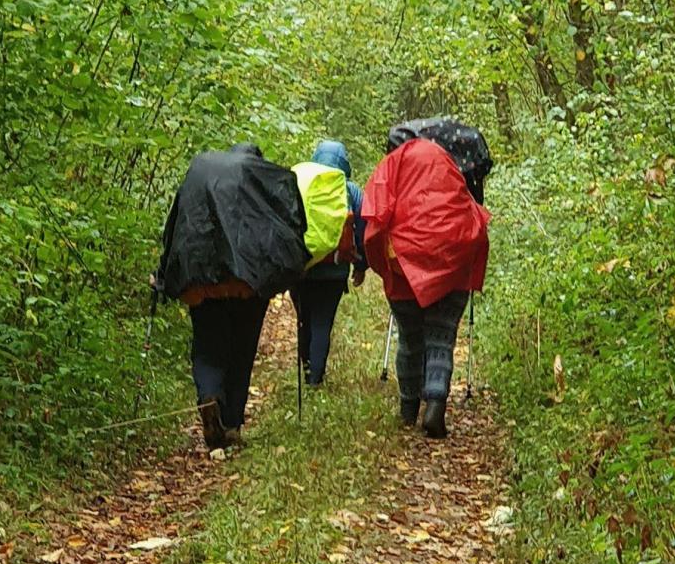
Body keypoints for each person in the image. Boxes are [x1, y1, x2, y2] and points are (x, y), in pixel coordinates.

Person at [154, 144, 309, 450]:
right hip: (247, 282)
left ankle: (209, 395)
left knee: (207, 344)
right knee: (242, 348)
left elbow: (176, 226)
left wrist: (163, 273)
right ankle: (232, 424)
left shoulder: (200, 172)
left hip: (201, 278)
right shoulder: (262, 181)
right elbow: (287, 227)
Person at [363, 137, 490, 438]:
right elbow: (474, 221)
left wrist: (382, 262)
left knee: (410, 340)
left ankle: (408, 409)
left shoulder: (395, 163)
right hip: (452, 270)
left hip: (404, 269)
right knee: (441, 338)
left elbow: (375, 213)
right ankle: (435, 404)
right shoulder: (452, 172)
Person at [290, 140, 367, 388]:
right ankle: (315, 379)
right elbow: (363, 229)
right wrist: (362, 265)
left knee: (304, 320)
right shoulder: (350, 190)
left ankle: (306, 370)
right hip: (334, 269)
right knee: (322, 322)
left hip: (302, 266)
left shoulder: (300, 183)